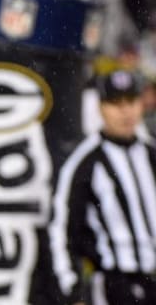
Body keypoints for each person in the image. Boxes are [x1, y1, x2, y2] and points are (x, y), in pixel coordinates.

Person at [49, 70, 156, 305]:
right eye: (116, 103)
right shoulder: (85, 163)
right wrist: (72, 291)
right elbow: (61, 230)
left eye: (131, 101)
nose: (125, 111)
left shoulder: (151, 154)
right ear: (100, 108)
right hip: (115, 284)